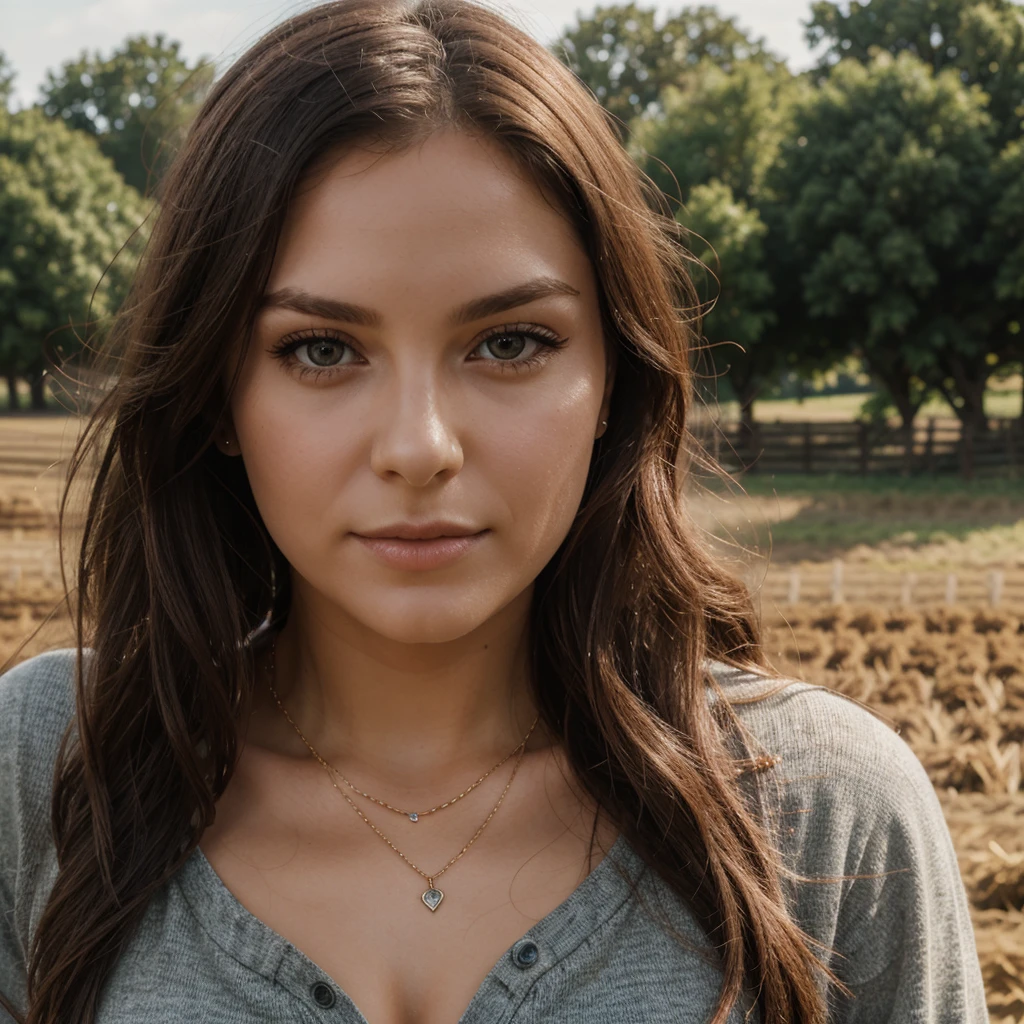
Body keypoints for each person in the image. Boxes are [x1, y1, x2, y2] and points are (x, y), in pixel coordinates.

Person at [0, 1, 987, 1022]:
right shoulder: (54, 776)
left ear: (614, 377)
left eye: (509, 342)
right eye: (322, 350)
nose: (420, 447)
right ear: (216, 396)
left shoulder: (822, 817)